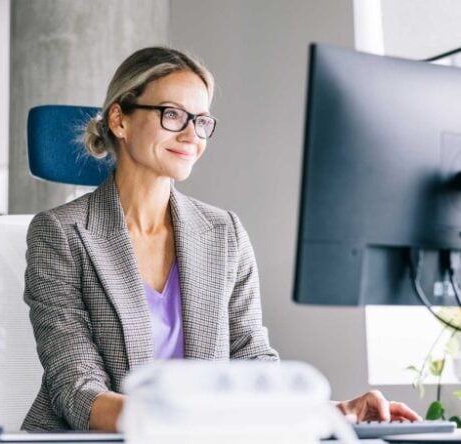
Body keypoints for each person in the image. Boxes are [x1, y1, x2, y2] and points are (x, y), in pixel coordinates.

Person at [22, 46, 420, 431]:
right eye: (172, 114)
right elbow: (76, 388)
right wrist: (190, 422)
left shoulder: (223, 232)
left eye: (201, 120)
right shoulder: (60, 233)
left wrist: (338, 411)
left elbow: (252, 367)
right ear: (119, 120)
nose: (191, 134)